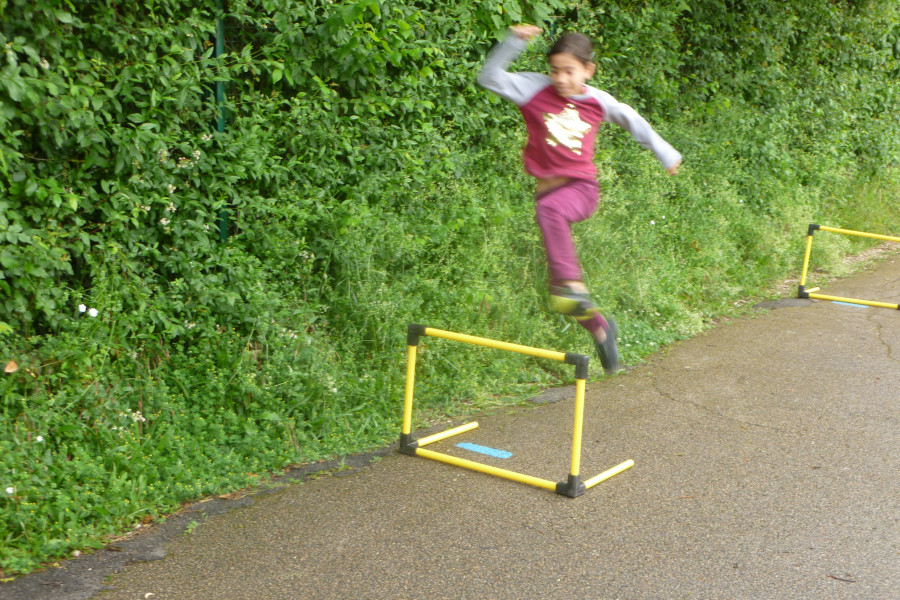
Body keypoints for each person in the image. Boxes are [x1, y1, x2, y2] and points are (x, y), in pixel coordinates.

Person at [477, 24, 682, 374]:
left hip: (581, 190)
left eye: (569, 71)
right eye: (554, 70)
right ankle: (602, 330)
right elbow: (489, 77)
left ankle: (572, 283)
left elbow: (633, 120)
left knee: (552, 220)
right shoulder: (533, 89)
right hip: (549, 194)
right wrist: (513, 42)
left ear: (588, 70)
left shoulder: (599, 100)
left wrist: (666, 153)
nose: (560, 79)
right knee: (562, 297)